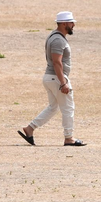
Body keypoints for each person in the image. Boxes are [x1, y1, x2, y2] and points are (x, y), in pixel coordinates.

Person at [18, 11, 86, 147]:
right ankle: (69, 138)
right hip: (57, 78)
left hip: (51, 78)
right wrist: (63, 83)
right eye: (71, 23)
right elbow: (56, 62)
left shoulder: (55, 37)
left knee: (53, 107)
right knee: (68, 108)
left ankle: (30, 129)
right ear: (64, 23)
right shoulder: (58, 40)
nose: (73, 25)